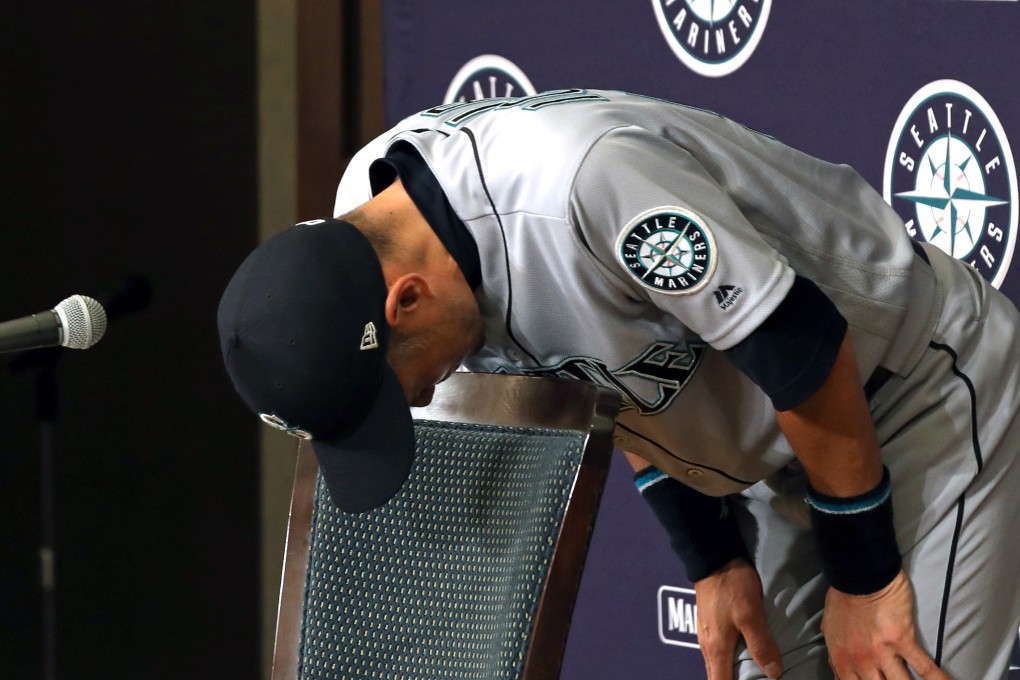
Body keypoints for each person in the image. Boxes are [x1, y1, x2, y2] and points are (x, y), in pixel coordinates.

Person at [217, 88, 1020, 679]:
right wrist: (714, 557)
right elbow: (598, 366)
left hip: (912, 386)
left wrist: (866, 577)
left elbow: (801, 347)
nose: (420, 399)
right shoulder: (368, 216)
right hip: (784, 442)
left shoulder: (584, 189)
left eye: (400, 385)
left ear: (408, 299)